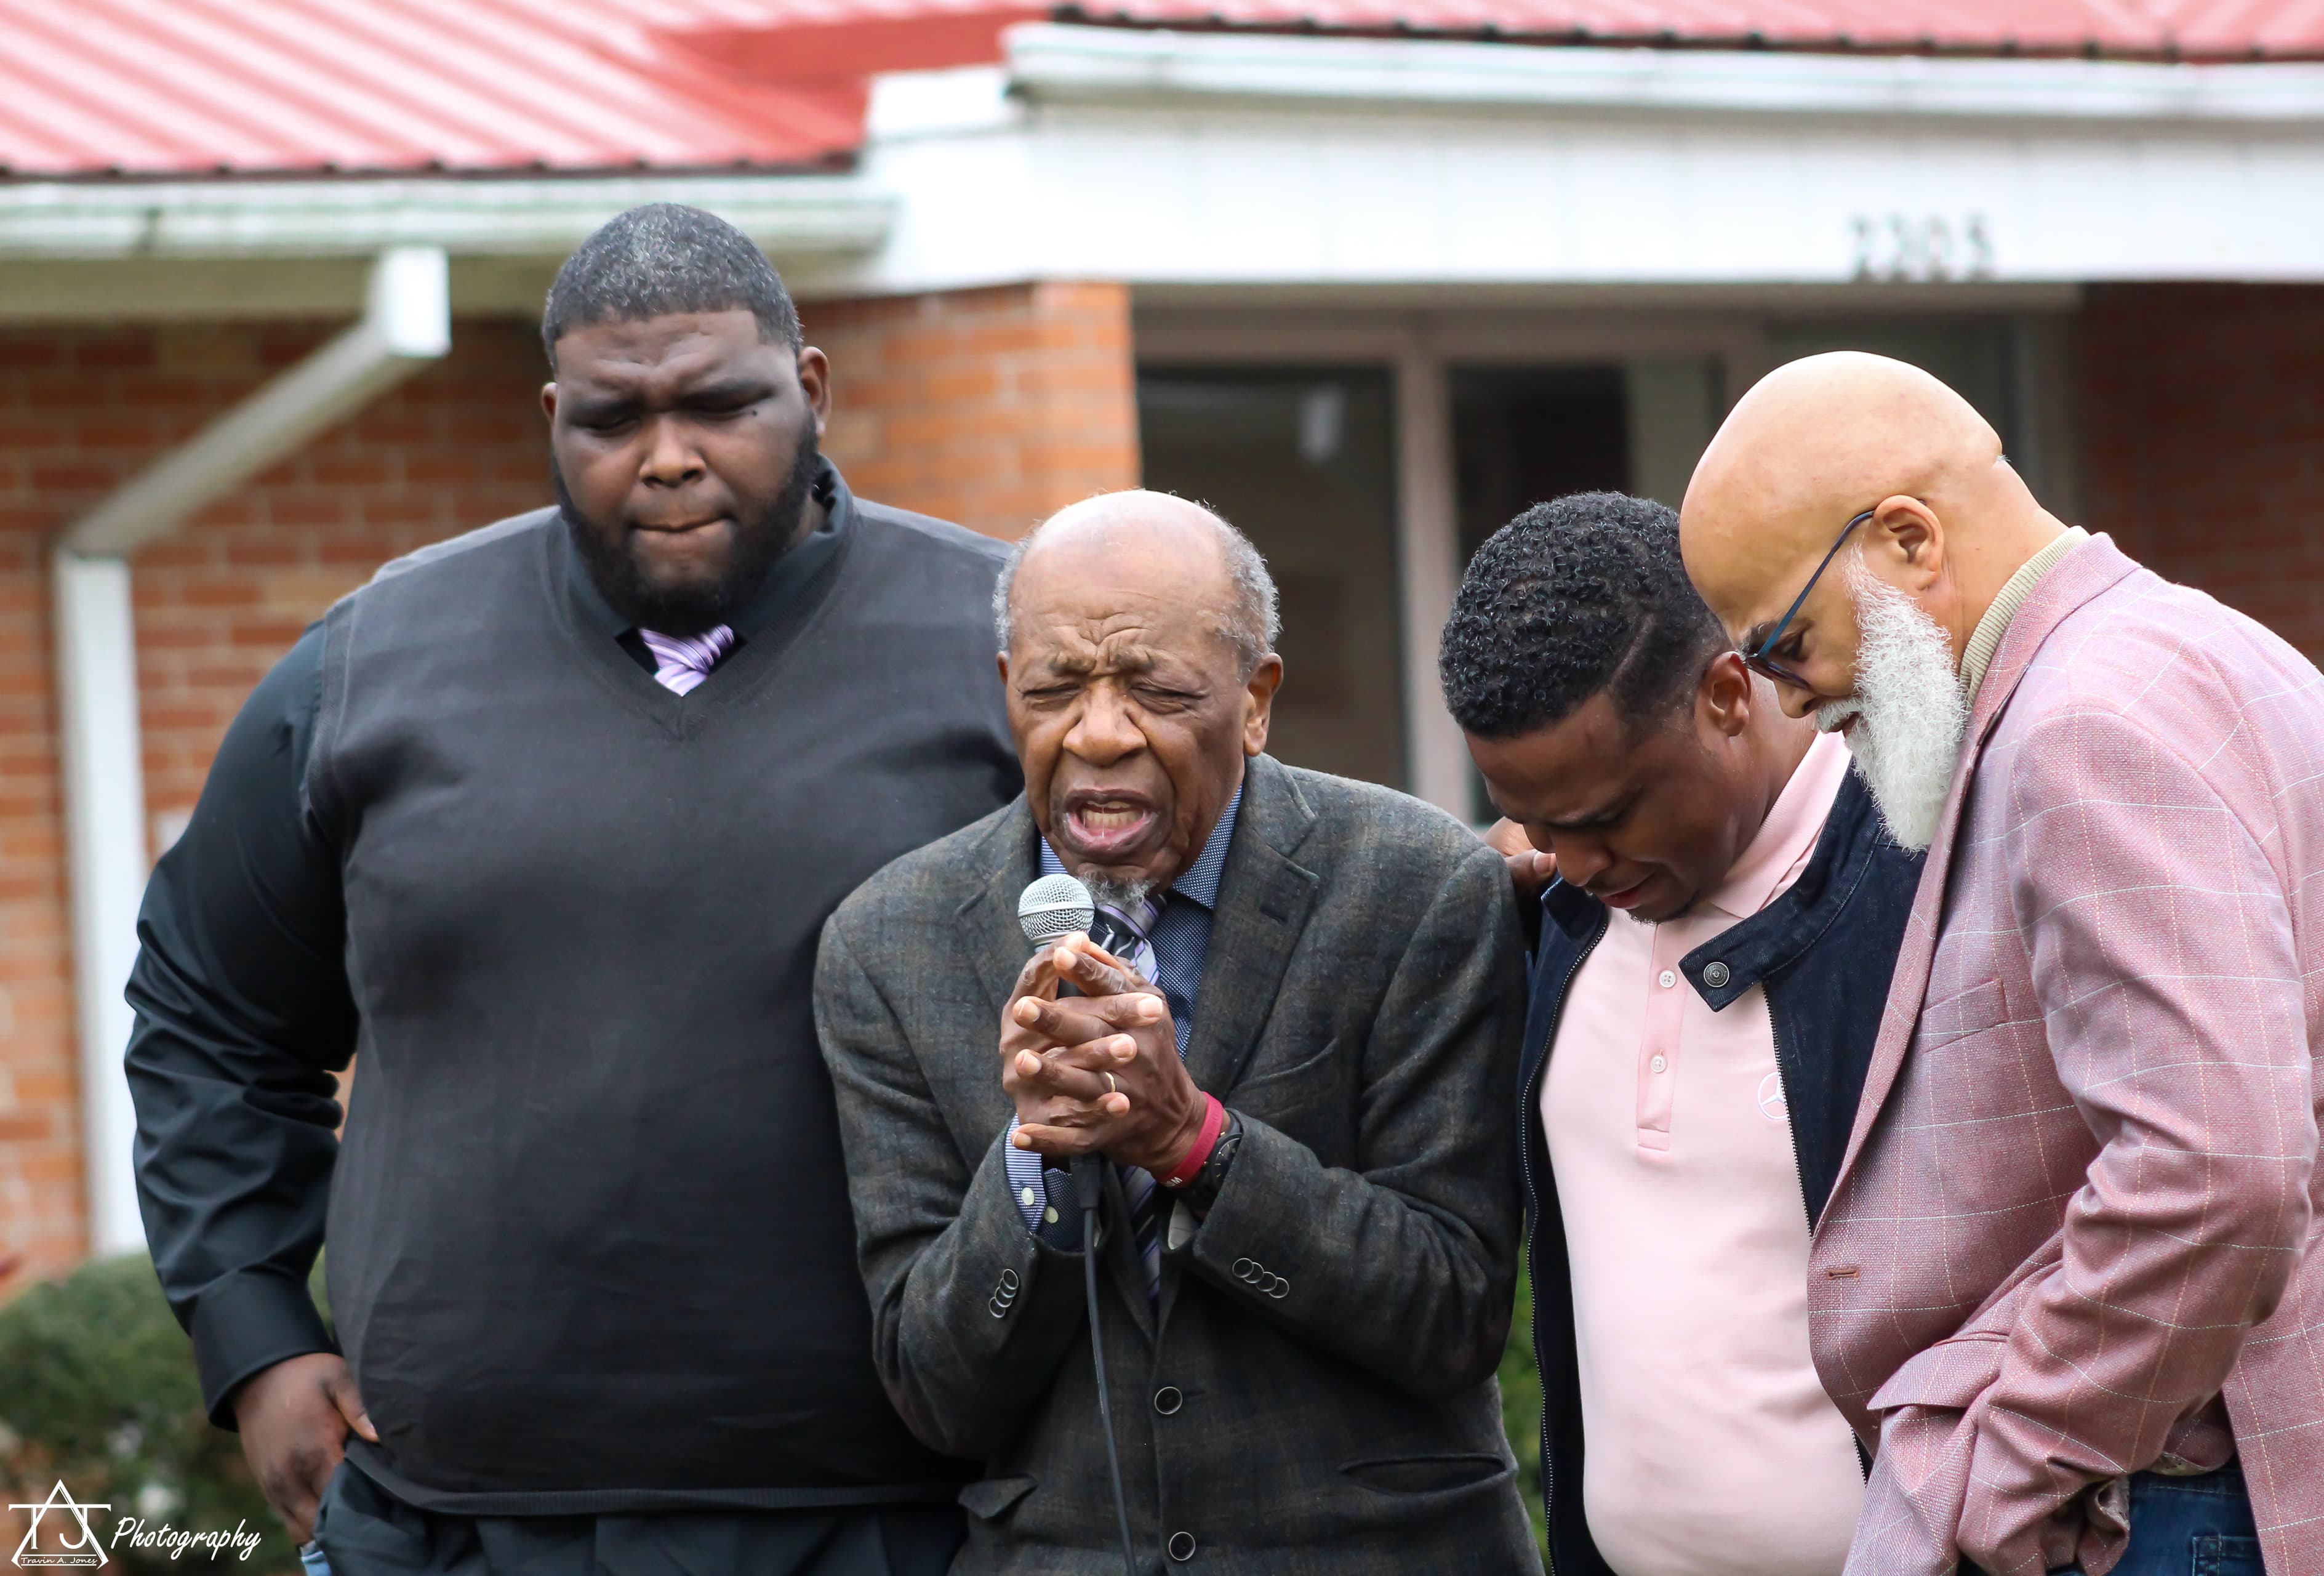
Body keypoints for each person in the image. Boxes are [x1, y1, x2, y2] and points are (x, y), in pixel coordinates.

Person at [125, 204, 1022, 1576]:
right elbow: (210, 1011)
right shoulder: (372, 668)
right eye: (614, 419)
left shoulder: (1010, 654)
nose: (669, 457)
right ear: (555, 418)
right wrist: (255, 1336)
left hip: (913, 1519)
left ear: (812, 389)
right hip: (449, 1525)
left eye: (721, 404)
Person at [1680, 350, 2324, 1575]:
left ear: (1907, 540)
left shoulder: (2085, 720)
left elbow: (2218, 1170)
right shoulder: (2219, 651)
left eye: (1783, 644)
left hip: (2159, 1505)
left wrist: (2006, 1468)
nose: (1791, 704)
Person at [814, 491, 1541, 1574]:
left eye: (1156, 690)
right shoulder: (889, 942)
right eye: (1055, 689)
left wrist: (1192, 1141)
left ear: (1255, 701)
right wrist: (1030, 1167)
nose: (1100, 733)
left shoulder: (1419, 885)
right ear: (1007, 688)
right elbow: (937, 1391)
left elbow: (1452, 1316)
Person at [1438, 492, 1921, 1576]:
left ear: (1727, 695)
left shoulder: (1922, 889)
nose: (1574, 862)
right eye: (1538, 820)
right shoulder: (1560, 910)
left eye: (1606, 817)